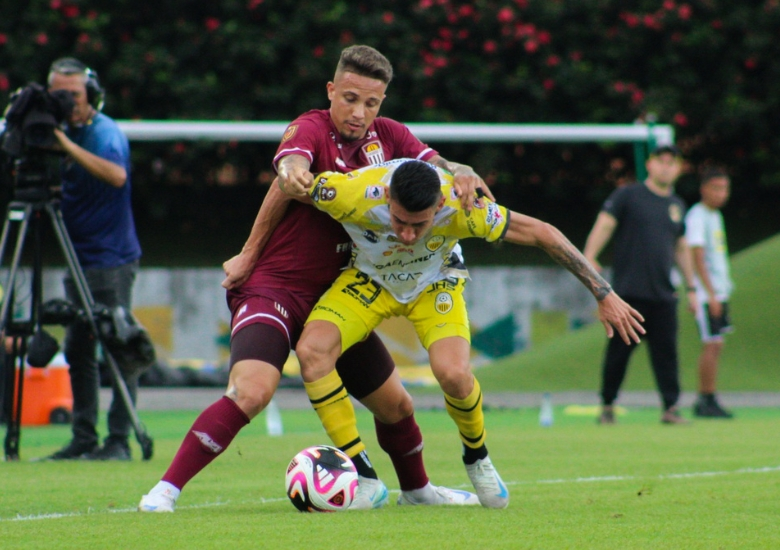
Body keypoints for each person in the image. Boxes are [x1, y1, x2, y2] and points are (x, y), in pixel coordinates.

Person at [139, 45, 491, 512]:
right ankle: (164, 491)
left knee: (398, 407)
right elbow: (288, 171)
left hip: (338, 298)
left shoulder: (390, 136)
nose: (359, 112)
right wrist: (253, 244)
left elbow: (437, 166)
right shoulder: (309, 127)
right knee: (252, 390)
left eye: (371, 102)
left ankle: (418, 492)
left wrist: (462, 171)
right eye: (349, 98)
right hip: (277, 288)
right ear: (331, 91)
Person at [286, 159, 645, 509]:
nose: (407, 235)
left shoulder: (462, 205)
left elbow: (541, 232)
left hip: (435, 284)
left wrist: (604, 293)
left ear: (439, 205)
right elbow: (287, 184)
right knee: (312, 353)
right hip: (368, 283)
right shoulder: (352, 191)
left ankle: (477, 457)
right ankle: (365, 478)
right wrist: (287, 175)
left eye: (419, 224)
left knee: (455, 375)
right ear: (386, 196)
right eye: (398, 221)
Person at [44, 58, 142, 460]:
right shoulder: (56, 129)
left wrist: (64, 145)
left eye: (74, 95)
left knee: (118, 346)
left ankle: (118, 440)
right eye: (58, 95)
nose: (67, 103)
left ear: (92, 96)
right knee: (79, 348)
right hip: (78, 257)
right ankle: (83, 437)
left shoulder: (104, 132)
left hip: (111, 259)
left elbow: (116, 175)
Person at [583, 144, 698, 425]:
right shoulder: (629, 195)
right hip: (629, 294)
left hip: (663, 295)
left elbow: (681, 248)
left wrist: (692, 288)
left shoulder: (676, 205)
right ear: (650, 164)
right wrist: (588, 257)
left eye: (673, 162)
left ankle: (670, 408)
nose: (666, 167)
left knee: (667, 355)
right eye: (662, 161)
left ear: (679, 168)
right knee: (618, 355)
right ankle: (607, 405)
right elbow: (605, 223)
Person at [685, 169, 734, 418]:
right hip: (707, 294)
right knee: (711, 343)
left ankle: (710, 396)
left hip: (719, 291)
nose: (721, 194)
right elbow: (697, 255)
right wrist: (711, 294)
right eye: (716, 188)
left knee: (717, 344)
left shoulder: (716, 216)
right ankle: (705, 399)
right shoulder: (697, 215)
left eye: (725, 188)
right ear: (704, 188)